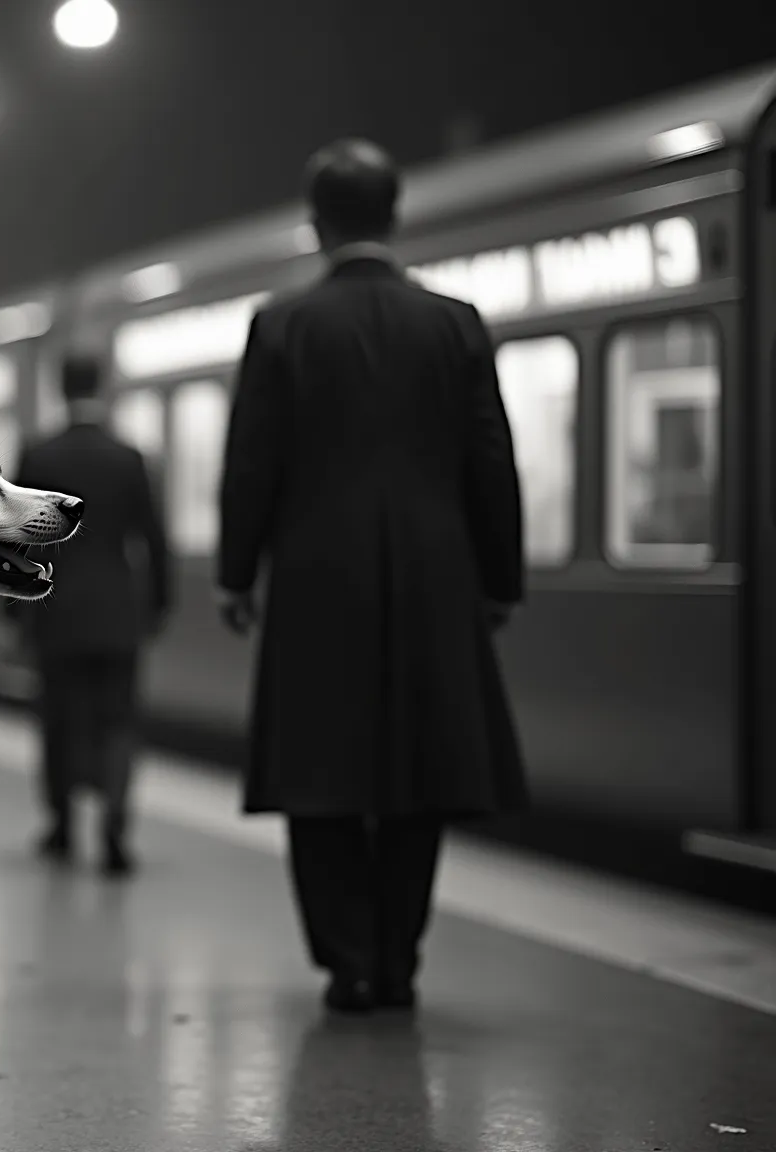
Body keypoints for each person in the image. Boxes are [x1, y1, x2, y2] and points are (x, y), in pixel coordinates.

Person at [215, 138, 527, 1014]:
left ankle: (347, 961)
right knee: (418, 770)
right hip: (437, 577)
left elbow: (252, 466)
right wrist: (498, 580)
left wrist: (238, 574)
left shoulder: (281, 325)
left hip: (315, 580)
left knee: (320, 772)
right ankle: (399, 959)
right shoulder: (456, 322)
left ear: (316, 223)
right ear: (395, 216)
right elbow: (489, 461)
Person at [9, 357, 171, 876]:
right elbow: (153, 538)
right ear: (103, 386)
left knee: (58, 721)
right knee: (118, 721)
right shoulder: (129, 457)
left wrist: (13, 611)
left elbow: (18, 537)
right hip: (117, 612)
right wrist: (157, 606)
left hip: (54, 609)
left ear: (60, 388)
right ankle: (115, 830)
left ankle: (61, 827)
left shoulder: (39, 455)